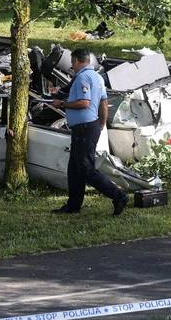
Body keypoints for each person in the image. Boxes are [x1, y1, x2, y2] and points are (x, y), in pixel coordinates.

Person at [51, 48, 129, 216]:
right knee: (74, 168)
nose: (72, 66)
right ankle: (73, 205)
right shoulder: (97, 77)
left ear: (79, 61)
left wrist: (62, 104)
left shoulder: (83, 78)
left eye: (72, 62)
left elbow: (84, 103)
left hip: (84, 128)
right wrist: (101, 123)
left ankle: (119, 196)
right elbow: (103, 102)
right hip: (89, 126)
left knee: (86, 168)